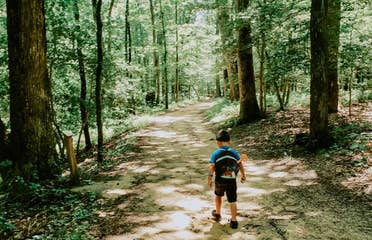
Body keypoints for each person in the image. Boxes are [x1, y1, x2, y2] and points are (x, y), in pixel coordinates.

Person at [208, 129, 248, 229]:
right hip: (232, 180)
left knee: (218, 196)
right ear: (229, 141)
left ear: (218, 142)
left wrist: (209, 179)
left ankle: (217, 214)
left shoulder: (216, 153)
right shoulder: (234, 152)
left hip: (219, 180)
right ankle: (234, 220)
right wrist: (243, 175)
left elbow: (212, 167)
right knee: (232, 200)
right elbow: (240, 164)